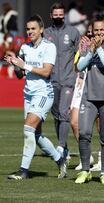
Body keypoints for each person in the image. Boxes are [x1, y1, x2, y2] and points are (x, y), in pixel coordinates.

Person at [5, 14, 67, 180]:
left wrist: (24, 65)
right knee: (36, 134)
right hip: (29, 94)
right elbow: (20, 74)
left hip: (43, 94)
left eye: (33, 28)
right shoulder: (25, 48)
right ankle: (60, 159)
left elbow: (46, 71)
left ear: (41, 30)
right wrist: (14, 63)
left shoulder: (49, 47)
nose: (30, 31)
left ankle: (23, 170)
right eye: (28, 29)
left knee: (28, 129)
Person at [75, 15, 104, 184]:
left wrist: (99, 49)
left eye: (102, 29)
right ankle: (85, 171)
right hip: (89, 97)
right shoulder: (88, 46)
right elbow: (79, 67)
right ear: (92, 31)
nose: (99, 32)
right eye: (96, 30)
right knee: (84, 133)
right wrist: (90, 50)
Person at [44, 2, 80, 161]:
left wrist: (80, 75)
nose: (58, 17)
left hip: (68, 79)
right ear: (51, 16)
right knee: (57, 115)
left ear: (64, 15)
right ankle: (64, 148)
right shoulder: (45, 33)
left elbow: (81, 55)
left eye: (61, 14)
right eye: (55, 14)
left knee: (64, 113)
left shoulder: (73, 32)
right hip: (50, 81)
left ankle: (60, 145)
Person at [70, 23, 101, 171]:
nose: (90, 36)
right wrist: (82, 51)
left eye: (92, 33)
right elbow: (76, 67)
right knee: (74, 122)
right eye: (88, 34)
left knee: (101, 126)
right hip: (81, 87)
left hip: (98, 87)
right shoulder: (82, 46)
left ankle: (102, 159)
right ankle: (86, 157)